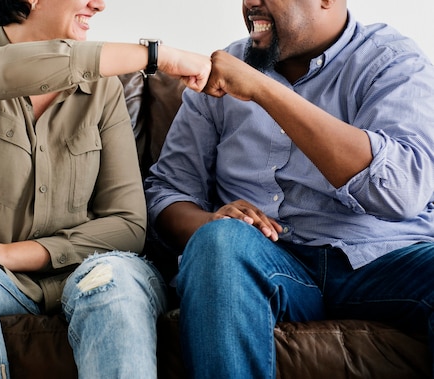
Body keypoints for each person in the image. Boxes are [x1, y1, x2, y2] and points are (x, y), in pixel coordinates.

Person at [0, 0, 211, 378]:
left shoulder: (102, 89)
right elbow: (18, 67)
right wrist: (159, 57)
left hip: (90, 271)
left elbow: (127, 225)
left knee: (112, 278)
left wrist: (10, 253)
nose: (99, 5)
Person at [144, 0, 434, 377]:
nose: (250, 3)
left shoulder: (392, 62)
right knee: (218, 241)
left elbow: (402, 191)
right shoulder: (216, 73)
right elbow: (168, 191)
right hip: (270, 262)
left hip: (382, 261)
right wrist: (209, 222)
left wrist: (264, 90)